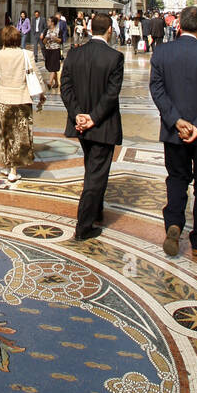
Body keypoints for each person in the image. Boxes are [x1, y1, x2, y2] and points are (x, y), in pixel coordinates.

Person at [149, 5, 197, 259]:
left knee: (177, 178)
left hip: (174, 133)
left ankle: (174, 223)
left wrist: (176, 121)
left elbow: (156, 90)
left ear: (178, 24)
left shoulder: (161, 53)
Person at [61, 13, 124, 241]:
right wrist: (94, 118)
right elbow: (111, 94)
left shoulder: (74, 54)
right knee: (96, 175)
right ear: (109, 29)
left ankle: (96, 210)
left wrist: (78, 115)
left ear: (89, 28)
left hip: (80, 126)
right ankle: (84, 225)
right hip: (102, 125)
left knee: (93, 167)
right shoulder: (115, 57)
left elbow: (65, 87)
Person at [0, 23, 45, 183]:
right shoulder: (27, 54)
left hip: (2, 99)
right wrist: (42, 93)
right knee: (19, 135)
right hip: (22, 99)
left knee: (4, 133)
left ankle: (7, 165)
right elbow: (37, 75)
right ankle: (13, 170)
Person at [42, 17, 63, 90]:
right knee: (50, 67)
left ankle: (50, 82)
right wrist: (46, 38)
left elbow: (61, 40)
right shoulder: (46, 30)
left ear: (53, 23)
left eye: (49, 21)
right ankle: (56, 82)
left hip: (55, 50)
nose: (47, 22)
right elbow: (43, 42)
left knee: (53, 67)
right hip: (48, 50)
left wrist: (55, 38)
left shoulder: (58, 30)